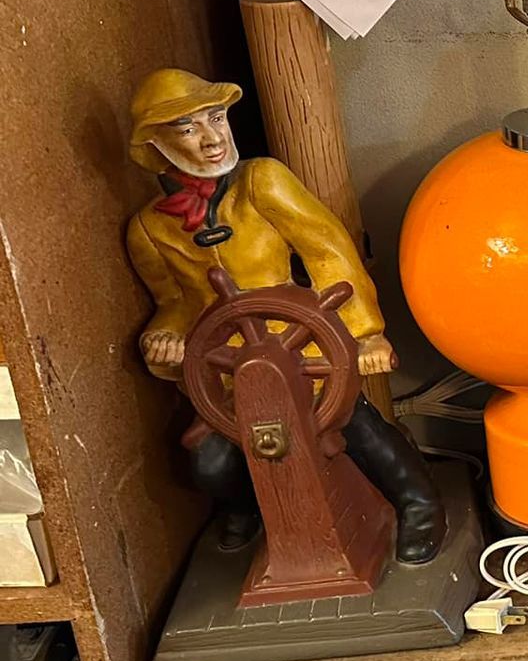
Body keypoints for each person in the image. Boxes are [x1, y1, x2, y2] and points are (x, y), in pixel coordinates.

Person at [124, 69, 445, 563]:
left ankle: (419, 503)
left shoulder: (261, 180)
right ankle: (247, 508)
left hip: (302, 350)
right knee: (210, 464)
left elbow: (327, 251)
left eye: (216, 119)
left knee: (354, 426)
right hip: (230, 372)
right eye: (188, 128)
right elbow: (171, 303)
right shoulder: (148, 230)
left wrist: (366, 334)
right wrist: (163, 339)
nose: (212, 139)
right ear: (154, 144)